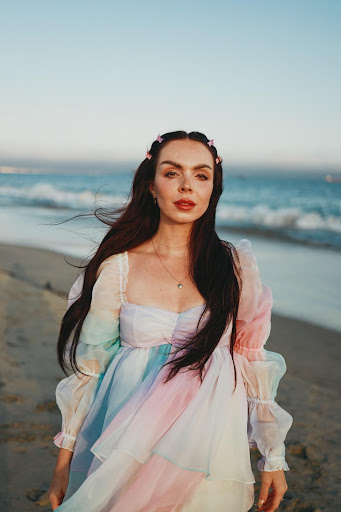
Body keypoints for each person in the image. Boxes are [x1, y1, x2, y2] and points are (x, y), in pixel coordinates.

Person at [48, 130, 293, 512]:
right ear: (151, 185)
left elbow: (251, 359)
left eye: (201, 175)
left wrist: (272, 457)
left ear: (213, 188)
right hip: (129, 431)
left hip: (207, 439)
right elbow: (90, 369)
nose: (186, 186)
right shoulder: (119, 268)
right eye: (172, 172)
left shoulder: (234, 266)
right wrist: (64, 461)